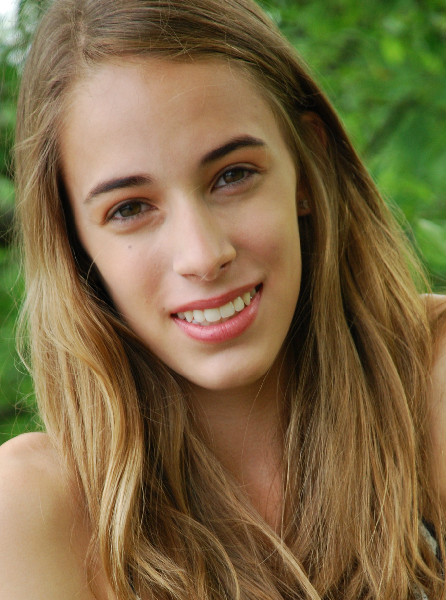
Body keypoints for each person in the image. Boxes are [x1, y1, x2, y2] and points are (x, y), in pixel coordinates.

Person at [0, 0, 444, 598]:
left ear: (306, 165)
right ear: (74, 241)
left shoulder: (431, 379)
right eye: (130, 208)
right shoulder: (33, 510)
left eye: (232, 175)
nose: (203, 255)